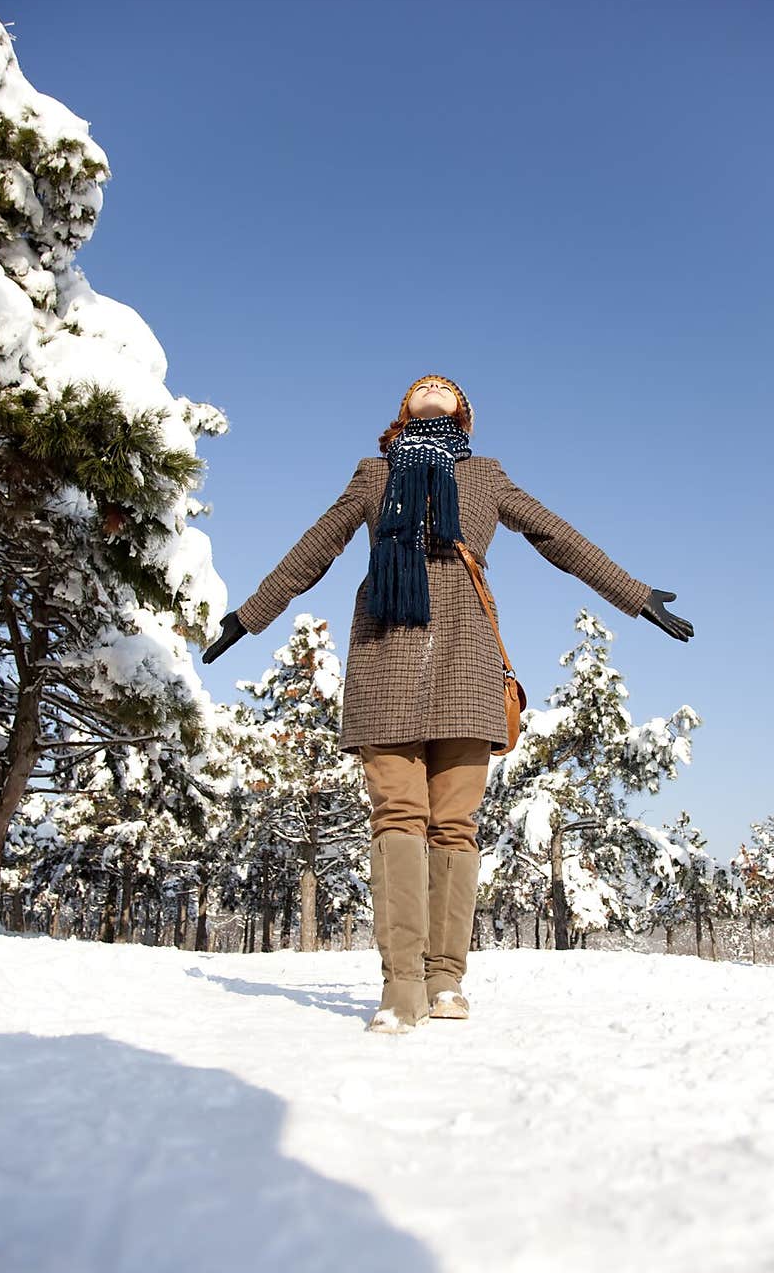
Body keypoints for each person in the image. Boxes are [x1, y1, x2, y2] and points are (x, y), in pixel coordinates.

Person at [203, 374, 694, 1033]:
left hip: (466, 666)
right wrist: (248, 616)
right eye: (420, 384)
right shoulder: (372, 477)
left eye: (446, 386)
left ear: (463, 414)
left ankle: (446, 980)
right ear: (401, 411)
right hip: (385, 662)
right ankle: (400, 984)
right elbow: (313, 550)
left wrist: (633, 595)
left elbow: (559, 538)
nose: (432, 385)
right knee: (398, 818)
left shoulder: (487, 478)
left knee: (455, 827)